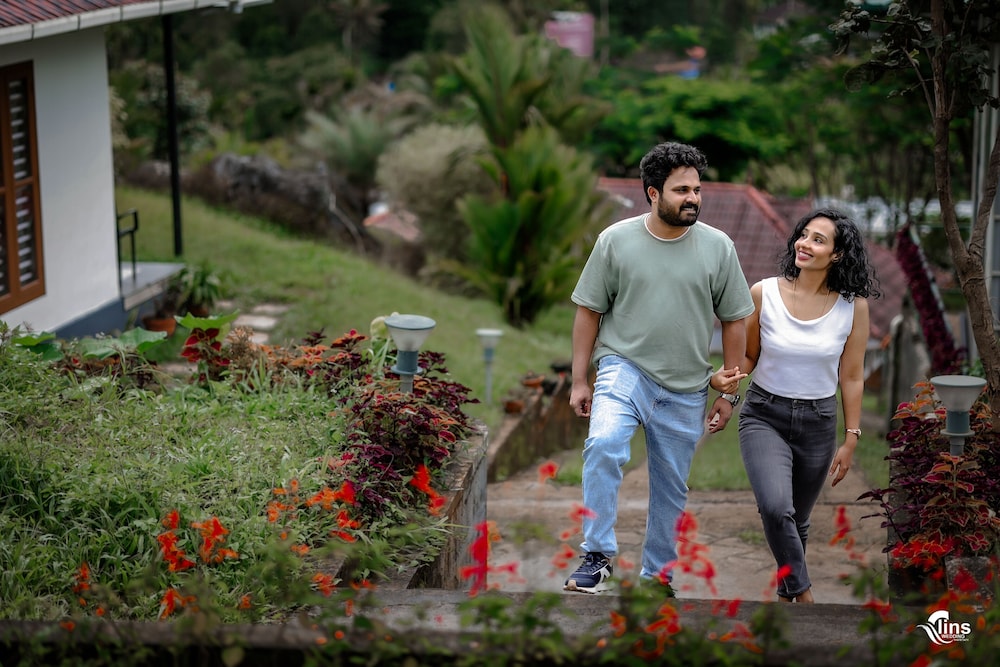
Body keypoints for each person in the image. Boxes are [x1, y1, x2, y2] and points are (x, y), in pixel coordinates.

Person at [564, 142, 754, 593]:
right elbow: (588, 312)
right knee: (605, 441)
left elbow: (734, 320)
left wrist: (728, 392)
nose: (693, 198)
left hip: (688, 385)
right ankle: (597, 555)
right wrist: (577, 379)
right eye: (680, 190)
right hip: (623, 367)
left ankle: (657, 575)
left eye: (696, 189)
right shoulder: (615, 240)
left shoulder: (718, 247)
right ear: (653, 193)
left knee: (671, 487)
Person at [711, 207, 879, 603]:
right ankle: (804, 597)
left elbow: (852, 375)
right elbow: (748, 356)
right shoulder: (763, 292)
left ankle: (789, 601)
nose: (804, 243)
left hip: (819, 421)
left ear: (837, 254)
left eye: (818, 239)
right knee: (775, 508)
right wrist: (726, 384)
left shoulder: (853, 307)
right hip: (764, 415)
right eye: (803, 235)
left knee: (797, 521)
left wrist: (851, 437)